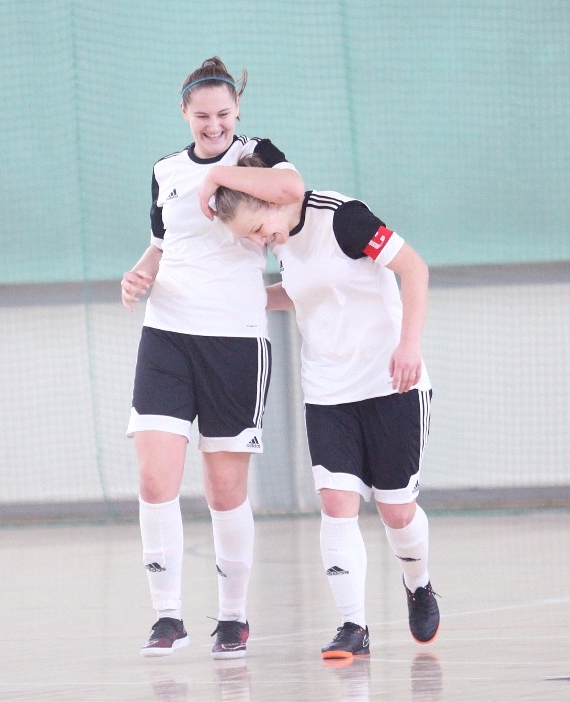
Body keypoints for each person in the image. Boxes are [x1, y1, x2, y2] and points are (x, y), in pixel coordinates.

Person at [211, 155, 440, 660]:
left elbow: (414, 268)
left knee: (396, 510)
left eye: (258, 229)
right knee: (337, 504)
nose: (260, 241)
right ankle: (353, 626)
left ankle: (418, 583)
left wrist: (409, 345)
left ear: (273, 198)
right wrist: (239, 298)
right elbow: (301, 292)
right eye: (251, 238)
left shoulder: (343, 218)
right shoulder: (281, 241)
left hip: (390, 382)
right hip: (328, 391)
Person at [120, 58, 304, 659]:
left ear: (237, 111)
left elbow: (291, 191)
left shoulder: (257, 153)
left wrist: (217, 179)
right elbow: (161, 244)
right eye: (202, 115)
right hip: (167, 334)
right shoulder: (164, 170)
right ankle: (166, 616)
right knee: (155, 478)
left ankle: (233, 617)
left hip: (234, 340)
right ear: (184, 113)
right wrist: (138, 274)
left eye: (224, 113)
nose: (214, 124)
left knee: (225, 490)